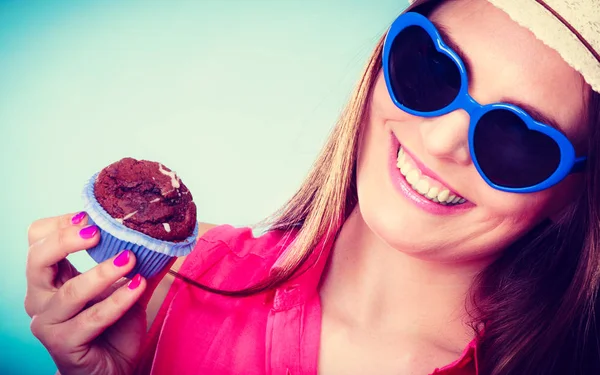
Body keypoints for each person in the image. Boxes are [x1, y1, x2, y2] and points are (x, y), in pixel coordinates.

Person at [24, 0, 600, 374]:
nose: (444, 139)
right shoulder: (168, 292)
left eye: (519, 139)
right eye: (431, 66)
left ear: (574, 194)